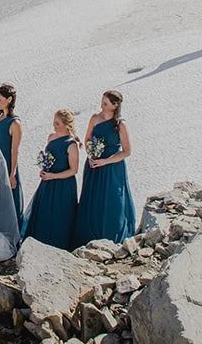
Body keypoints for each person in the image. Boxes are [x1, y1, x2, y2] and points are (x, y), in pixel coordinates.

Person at [72, 90, 137, 247]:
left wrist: (105, 161)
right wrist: (91, 154)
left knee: (111, 199)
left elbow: (127, 151)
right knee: (91, 197)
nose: (102, 105)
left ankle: (110, 235)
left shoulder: (120, 124)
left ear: (115, 106)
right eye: (102, 102)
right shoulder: (95, 118)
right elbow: (87, 139)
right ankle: (87, 236)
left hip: (112, 168)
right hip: (94, 166)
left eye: (105, 103)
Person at [24, 110, 81, 251]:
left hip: (63, 185)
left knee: (59, 215)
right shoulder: (51, 137)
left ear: (67, 125)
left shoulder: (71, 144)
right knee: (43, 212)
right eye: (54, 122)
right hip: (47, 182)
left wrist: (53, 176)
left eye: (57, 123)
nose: (54, 125)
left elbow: (73, 170)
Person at [0, 84, 24, 232]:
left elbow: (14, 151)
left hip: (7, 165)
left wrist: (12, 174)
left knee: (7, 200)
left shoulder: (15, 123)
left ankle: (9, 233)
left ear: (9, 99)